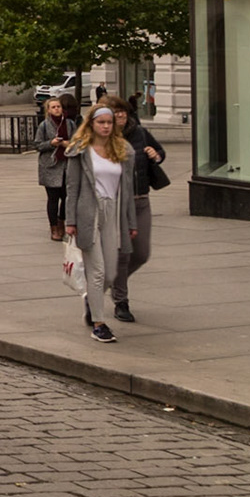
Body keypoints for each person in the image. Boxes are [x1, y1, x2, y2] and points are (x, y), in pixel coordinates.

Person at [63, 105, 139, 344]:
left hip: (113, 213)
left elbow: (127, 190)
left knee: (109, 273)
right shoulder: (81, 150)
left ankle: (90, 299)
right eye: (101, 122)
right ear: (91, 124)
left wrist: (131, 221)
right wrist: (70, 221)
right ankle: (99, 323)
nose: (106, 126)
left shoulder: (123, 150)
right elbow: (72, 187)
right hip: (89, 212)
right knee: (96, 272)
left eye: (109, 122)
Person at [111, 105, 167, 323]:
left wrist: (156, 155)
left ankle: (107, 285)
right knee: (122, 254)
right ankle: (121, 301)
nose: (120, 115)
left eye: (123, 111)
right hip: (116, 204)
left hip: (140, 199)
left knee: (141, 253)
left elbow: (160, 152)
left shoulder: (140, 133)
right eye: (115, 113)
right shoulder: (103, 138)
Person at [35, 97, 72, 241]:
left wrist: (67, 144)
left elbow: (77, 141)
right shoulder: (44, 125)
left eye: (59, 106)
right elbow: (38, 145)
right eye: (53, 107)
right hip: (50, 166)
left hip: (67, 165)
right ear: (48, 110)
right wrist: (51, 143)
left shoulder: (69, 124)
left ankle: (61, 221)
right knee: (53, 199)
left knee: (67, 197)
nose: (57, 109)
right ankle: (54, 228)